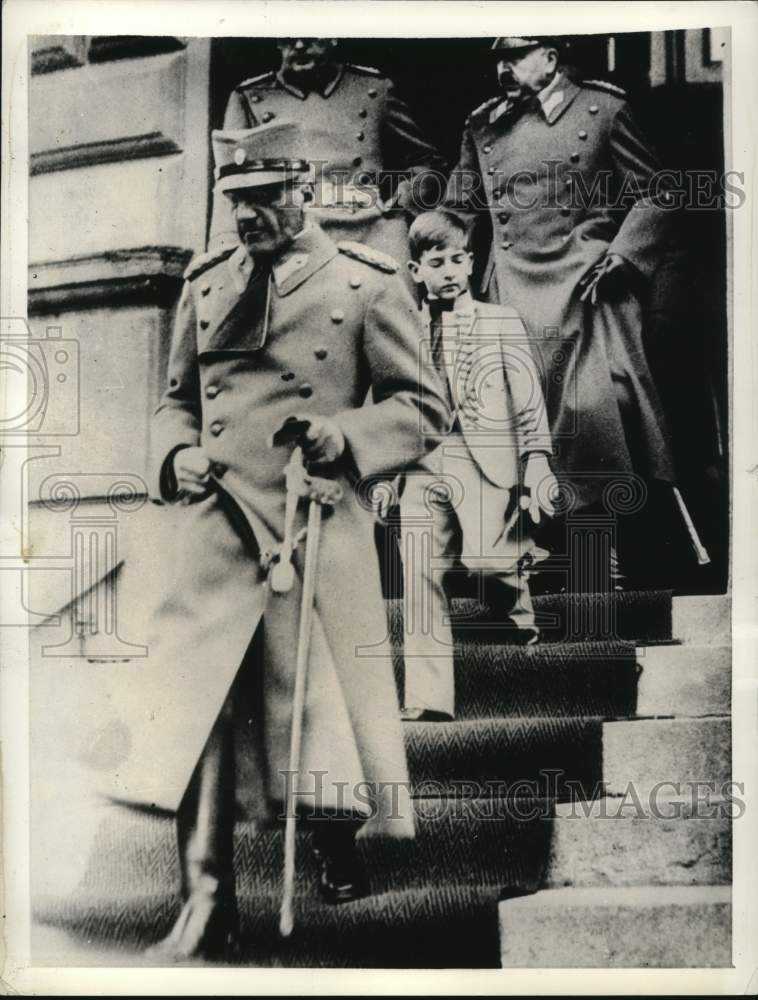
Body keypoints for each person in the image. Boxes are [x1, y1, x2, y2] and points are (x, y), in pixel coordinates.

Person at [136, 120, 450, 961]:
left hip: (311, 520)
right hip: (218, 522)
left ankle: (331, 837)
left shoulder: (366, 284)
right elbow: (172, 402)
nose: (248, 219)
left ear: (302, 189)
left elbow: (423, 410)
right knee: (198, 708)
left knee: (313, 703)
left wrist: (344, 434)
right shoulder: (205, 286)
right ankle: (205, 902)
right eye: (235, 203)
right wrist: (176, 453)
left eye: (265, 200)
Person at [445, 36, 677, 583]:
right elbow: (458, 208)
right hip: (509, 288)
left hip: (584, 286)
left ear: (550, 57)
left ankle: (598, 563)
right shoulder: (483, 125)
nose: (504, 68)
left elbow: (659, 192)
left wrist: (623, 255)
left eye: (517, 55)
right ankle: (523, 564)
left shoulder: (603, 108)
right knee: (505, 416)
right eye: (498, 58)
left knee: (593, 408)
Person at [399, 210, 556, 721]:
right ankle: (427, 699)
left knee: (488, 561)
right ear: (415, 270)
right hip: (421, 461)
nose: (448, 271)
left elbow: (529, 399)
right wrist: (382, 475)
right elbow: (386, 397)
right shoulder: (401, 329)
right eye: (435, 262)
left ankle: (518, 596)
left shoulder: (499, 321)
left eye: (457, 260)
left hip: (484, 458)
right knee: (420, 572)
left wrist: (537, 461)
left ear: (470, 263)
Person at [209, 38, 447, 272]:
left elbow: (427, 161)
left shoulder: (373, 90)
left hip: (369, 226)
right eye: (289, 39)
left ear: (333, 37)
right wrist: (224, 247)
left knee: (392, 288)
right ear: (277, 42)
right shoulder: (250, 96)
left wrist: (399, 204)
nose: (300, 46)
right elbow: (230, 181)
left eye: (311, 36)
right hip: (294, 232)